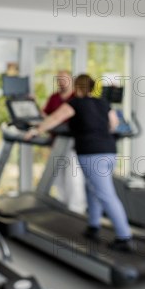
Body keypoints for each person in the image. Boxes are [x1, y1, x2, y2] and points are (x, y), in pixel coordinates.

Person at [25, 74, 133, 251]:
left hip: (92, 153)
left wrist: (36, 130)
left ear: (77, 87)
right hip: (110, 150)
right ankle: (93, 225)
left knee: (105, 194)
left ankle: (124, 237)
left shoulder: (75, 103)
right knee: (91, 188)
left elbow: (54, 119)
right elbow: (113, 124)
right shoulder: (103, 102)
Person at [41, 70, 86, 214]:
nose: (61, 82)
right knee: (57, 178)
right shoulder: (54, 97)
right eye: (59, 79)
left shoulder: (76, 97)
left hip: (72, 144)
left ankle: (77, 209)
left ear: (71, 80)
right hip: (56, 143)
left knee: (73, 177)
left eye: (64, 79)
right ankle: (63, 207)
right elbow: (46, 116)